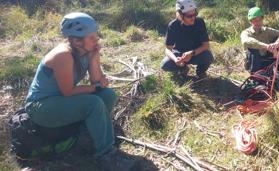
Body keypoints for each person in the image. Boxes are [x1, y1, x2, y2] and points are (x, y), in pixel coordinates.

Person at [24, 12, 136, 170]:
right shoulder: (63, 55)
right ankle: (106, 155)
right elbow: (68, 91)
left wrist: (94, 57)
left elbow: (96, 81)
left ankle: (88, 136)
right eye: (91, 37)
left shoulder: (84, 51)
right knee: (94, 103)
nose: (96, 39)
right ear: (77, 40)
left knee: (108, 95)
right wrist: (96, 87)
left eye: (96, 35)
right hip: (41, 107)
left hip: (61, 100)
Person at [161, 0, 214, 80]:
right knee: (165, 65)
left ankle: (200, 72)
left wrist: (192, 53)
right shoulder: (173, 25)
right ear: (181, 15)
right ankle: (183, 68)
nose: (193, 18)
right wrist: (176, 60)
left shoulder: (199, 22)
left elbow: (206, 45)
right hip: (179, 55)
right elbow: (168, 49)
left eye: (194, 14)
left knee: (208, 56)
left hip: (196, 53)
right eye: (189, 16)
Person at [240, 7, 279, 73]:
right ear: (251, 21)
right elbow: (247, 41)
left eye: (260, 19)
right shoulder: (245, 32)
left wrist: (276, 44)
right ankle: (255, 76)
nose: (258, 22)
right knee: (252, 50)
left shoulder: (266, 30)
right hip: (252, 63)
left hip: (266, 59)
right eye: (255, 20)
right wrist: (266, 46)